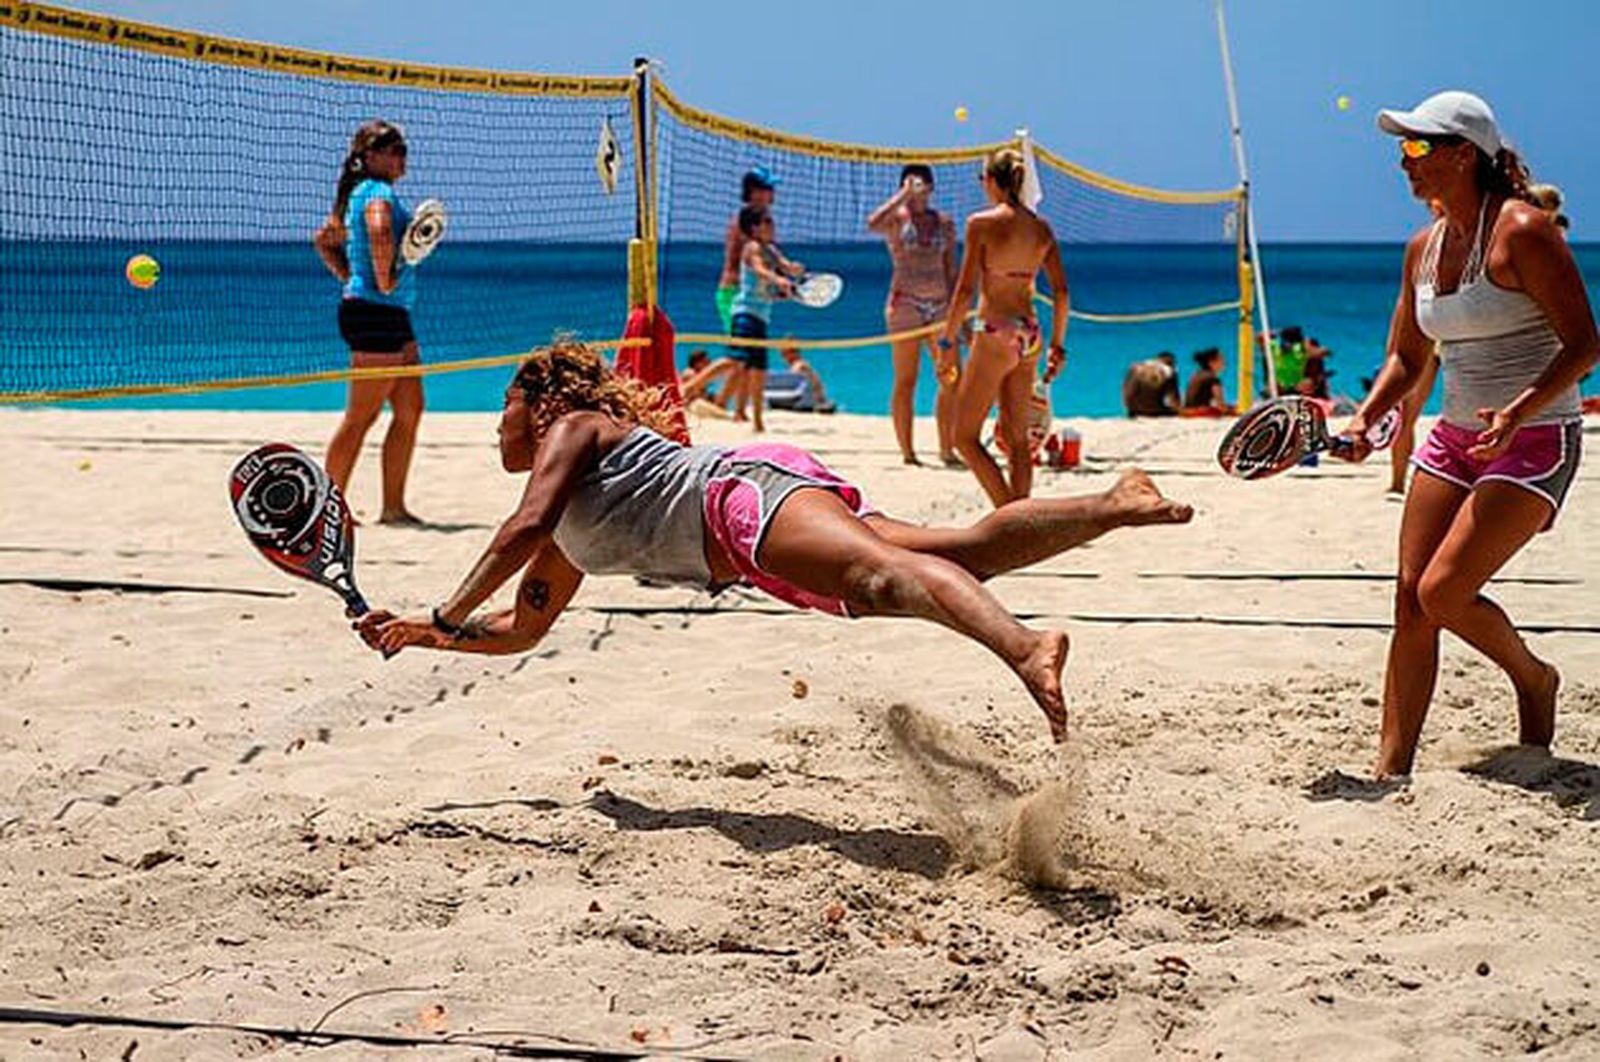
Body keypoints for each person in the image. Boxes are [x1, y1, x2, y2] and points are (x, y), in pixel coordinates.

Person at [353, 341, 1194, 743]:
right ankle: (1117, 500)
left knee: (883, 577)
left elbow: (519, 527)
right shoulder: (574, 531)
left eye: (503, 407)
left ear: (536, 403)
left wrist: (444, 602)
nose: (495, 427)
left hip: (739, 504)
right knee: (960, 549)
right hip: (754, 495)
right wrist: (427, 635)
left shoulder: (570, 427)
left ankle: (1024, 646)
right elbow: (523, 629)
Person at [1339, 91, 1598, 777]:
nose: (1405, 162)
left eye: (1419, 147)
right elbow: (1406, 358)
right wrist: (1365, 421)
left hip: (1537, 436)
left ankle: (1534, 677)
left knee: (1442, 591)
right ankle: (1392, 771)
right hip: (1456, 438)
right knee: (1408, 594)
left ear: (1464, 154)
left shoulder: (1522, 230)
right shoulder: (1421, 248)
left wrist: (1519, 408)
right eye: (1402, 148)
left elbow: (1584, 344)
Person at [938, 149, 1069, 507]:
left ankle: (1008, 516)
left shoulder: (981, 223)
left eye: (982, 180)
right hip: (1030, 332)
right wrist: (1058, 345)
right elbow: (1061, 292)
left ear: (993, 182)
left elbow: (965, 290)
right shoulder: (1041, 228)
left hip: (997, 330)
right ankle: (1021, 521)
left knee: (963, 437)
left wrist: (947, 339)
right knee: (1017, 440)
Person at [312, 120, 426, 525]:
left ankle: (393, 508)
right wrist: (381, 278)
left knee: (411, 408)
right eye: (393, 149)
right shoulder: (376, 194)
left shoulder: (356, 195)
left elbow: (324, 240)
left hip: (388, 312)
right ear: (370, 157)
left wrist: (353, 276)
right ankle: (328, 511)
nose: (401, 157)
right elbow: (378, 231)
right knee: (361, 416)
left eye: (403, 149)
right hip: (375, 313)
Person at [868, 164, 961, 465]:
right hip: (905, 304)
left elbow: (951, 268)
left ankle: (947, 448)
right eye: (911, 184)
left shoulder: (944, 223)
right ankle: (908, 452)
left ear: (932, 188)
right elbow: (873, 223)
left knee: (949, 376)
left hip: (939, 305)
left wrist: (960, 312)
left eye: (922, 184)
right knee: (906, 379)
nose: (918, 189)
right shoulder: (896, 219)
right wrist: (903, 195)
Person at [727, 205, 802, 432]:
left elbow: (785, 267)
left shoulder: (771, 249)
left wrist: (793, 273)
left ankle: (753, 418)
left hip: (760, 316)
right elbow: (760, 270)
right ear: (755, 227)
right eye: (767, 222)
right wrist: (778, 280)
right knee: (737, 362)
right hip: (744, 312)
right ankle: (689, 389)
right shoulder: (751, 248)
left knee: (756, 368)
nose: (773, 226)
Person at [716, 168, 777, 334]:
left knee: (747, 354)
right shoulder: (744, 223)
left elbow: (772, 259)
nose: (772, 192)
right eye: (767, 188)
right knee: (739, 353)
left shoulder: (765, 220)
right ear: (753, 192)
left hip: (751, 297)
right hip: (735, 293)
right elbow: (756, 262)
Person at [777, 343, 836, 413]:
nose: (783, 358)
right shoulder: (803, 365)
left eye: (784, 354)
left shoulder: (799, 366)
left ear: (793, 353)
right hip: (818, 401)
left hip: (814, 402)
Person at [1123, 353, 1180, 417]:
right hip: (1152, 410)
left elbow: (1126, 389)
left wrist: (1130, 408)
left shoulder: (1136, 367)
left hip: (1132, 408)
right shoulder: (1169, 370)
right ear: (1171, 362)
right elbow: (1173, 399)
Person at [1182, 348, 1232, 414]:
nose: (1224, 363)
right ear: (1211, 363)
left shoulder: (1198, 374)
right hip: (1198, 412)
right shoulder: (1213, 378)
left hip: (1188, 410)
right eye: (1221, 359)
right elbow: (1221, 404)